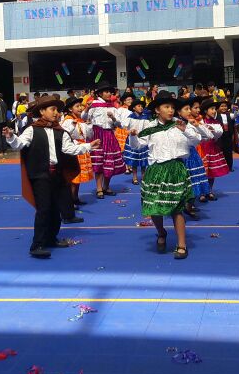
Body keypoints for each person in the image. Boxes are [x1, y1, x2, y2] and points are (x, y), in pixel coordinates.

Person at [6, 96, 97, 259]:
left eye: (57, 110)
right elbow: (19, 144)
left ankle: (51, 238)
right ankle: (37, 244)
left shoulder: (60, 131)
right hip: (40, 174)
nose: (56, 113)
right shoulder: (32, 130)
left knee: (57, 208)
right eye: (52, 109)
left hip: (58, 174)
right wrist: (11, 137)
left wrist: (89, 146)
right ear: (42, 111)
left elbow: (70, 149)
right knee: (44, 209)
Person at [127, 92, 199, 259]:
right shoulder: (150, 127)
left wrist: (186, 130)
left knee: (177, 208)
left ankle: (182, 244)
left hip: (176, 169)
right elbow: (138, 146)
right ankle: (161, 232)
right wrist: (132, 136)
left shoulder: (180, 124)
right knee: (154, 208)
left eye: (173, 107)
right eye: (167, 107)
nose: (171, 110)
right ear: (157, 110)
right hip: (156, 170)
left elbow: (196, 140)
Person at [85, 84, 125, 198]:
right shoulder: (93, 104)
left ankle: (106, 187)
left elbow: (119, 124)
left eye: (110, 92)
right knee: (99, 162)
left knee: (110, 162)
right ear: (100, 93)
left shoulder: (112, 107)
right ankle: (99, 189)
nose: (109, 94)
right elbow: (84, 117)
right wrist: (87, 108)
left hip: (109, 135)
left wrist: (113, 118)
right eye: (106, 92)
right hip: (97, 135)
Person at [123, 99, 150, 185]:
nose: (141, 107)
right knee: (134, 160)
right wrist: (130, 132)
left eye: (142, 106)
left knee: (143, 160)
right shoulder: (130, 117)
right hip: (133, 139)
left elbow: (148, 128)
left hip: (142, 139)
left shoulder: (145, 117)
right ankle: (134, 177)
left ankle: (143, 176)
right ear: (134, 108)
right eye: (139, 106)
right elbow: (124, 126)